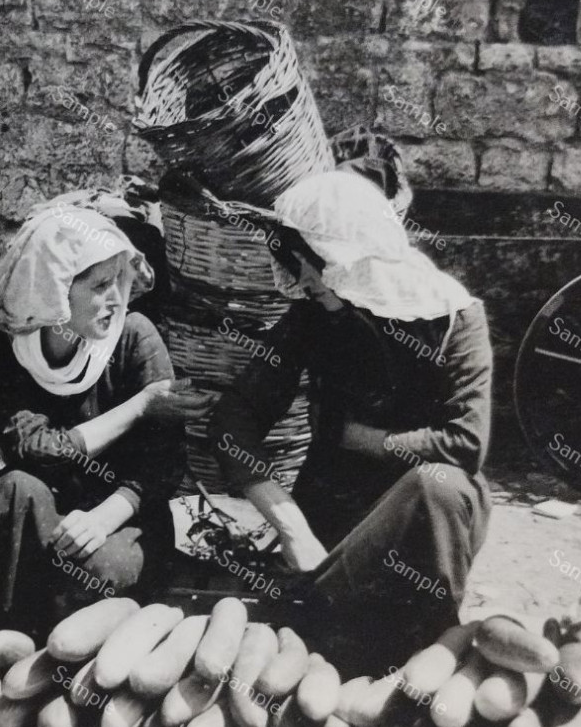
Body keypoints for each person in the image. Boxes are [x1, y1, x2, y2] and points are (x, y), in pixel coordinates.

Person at [0, 199, 213, 727]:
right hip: (39, 510)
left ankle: (37, 676)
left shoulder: (135, 337)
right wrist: (141, 405)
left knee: (99, 574)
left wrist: (104, 517)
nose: (115, 298)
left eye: (119, 281)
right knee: (12, 487)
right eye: (98, 285)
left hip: (123, 516)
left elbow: (163, 466)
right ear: (53, 291)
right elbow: (37, 451)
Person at [211, 167, 493, 677]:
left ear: (352, 263)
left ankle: (422, 646)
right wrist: (289, 525)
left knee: (439, 485)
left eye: (311, 269)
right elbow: (235, 415)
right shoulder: (317, 316)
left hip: (429, 524)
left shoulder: (456, 318)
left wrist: (363, 439)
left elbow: (466, 443)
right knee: (323, 641)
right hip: (336, 521)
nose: (304, 283)